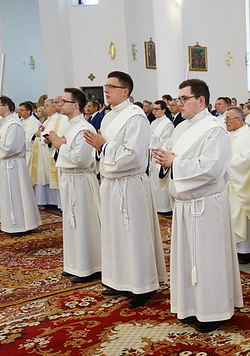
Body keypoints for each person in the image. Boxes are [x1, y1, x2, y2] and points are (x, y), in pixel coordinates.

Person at [153, 78, 243, 332]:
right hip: (184, 205)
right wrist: (164, 162)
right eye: (178, 98)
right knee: (187, 259)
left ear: (201, 100)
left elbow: (212, 168)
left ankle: (214, 311)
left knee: (208, 260)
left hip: (205, 206)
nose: (178, 103)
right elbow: (171, 159)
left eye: (184, 98)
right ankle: (191, 306)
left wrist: (174, 163)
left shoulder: (215, 129)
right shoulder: (181, 128)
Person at [85, 71, 167, 309]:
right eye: (105, 85)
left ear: (125, 91)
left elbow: (134, 156)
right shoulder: (109, 117)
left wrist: (104, 147)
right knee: (114, 234)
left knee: (134, 236)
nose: (106, 90)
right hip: (111, 183)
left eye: (111, 86)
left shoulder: (135, 117)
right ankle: (119, 280)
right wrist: (100, 149)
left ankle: (143, 285)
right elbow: (103, 148)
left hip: (129, 185)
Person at [47, 88, 101, 282]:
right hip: (70, 180)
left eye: (64, 101)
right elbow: (64, 152)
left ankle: (90, 266)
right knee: (71, 222)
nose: (60, 104)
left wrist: (61, 146)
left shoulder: (85, 128)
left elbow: (81, 159)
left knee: (83, 223)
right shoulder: (70, 126)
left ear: (76, 105)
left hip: (81, 181)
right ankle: (74, 264)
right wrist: (58, 146)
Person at [0, 96, 41, 236]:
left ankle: (21, 224)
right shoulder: (6, 123)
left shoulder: (14, 124)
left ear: (6, 107)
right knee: (10, 194)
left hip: (14, 164)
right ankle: (14, 223)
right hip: (7, 164)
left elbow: (12, 147)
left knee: (16, 194)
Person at [224, 106, 250, 264]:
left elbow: (249, 157)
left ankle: (245, 251)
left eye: (228, 119)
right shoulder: (226, 134)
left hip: (242, 182)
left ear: (238, 120)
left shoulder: (249, 135)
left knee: (241, 214)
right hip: (227, 183)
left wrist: (226, 163)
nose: (225, 122)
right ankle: (231, 248)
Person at [31, 97, 68, 209]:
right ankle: (46, 200)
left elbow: (58, 135)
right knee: (43, 177)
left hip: (51, 153)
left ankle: (58, 204)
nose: (44, 107)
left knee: (54, 177)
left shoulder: (61, 119)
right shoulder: (48, 120)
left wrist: (42, 135)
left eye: (47, 105)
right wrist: (40, 133)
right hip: (43, 154)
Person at [148, 100, 174, 216]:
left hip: (161, 156)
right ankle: (156, 206)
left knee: (161, 183)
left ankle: (164, 207)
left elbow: (166, 142)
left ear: (163, 110)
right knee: (153, 183)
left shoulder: (168, 124)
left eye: (157, 109)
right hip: (151, 156)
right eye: (153, 109)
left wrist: (152, 138)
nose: (154, 111)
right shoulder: (153, 123)